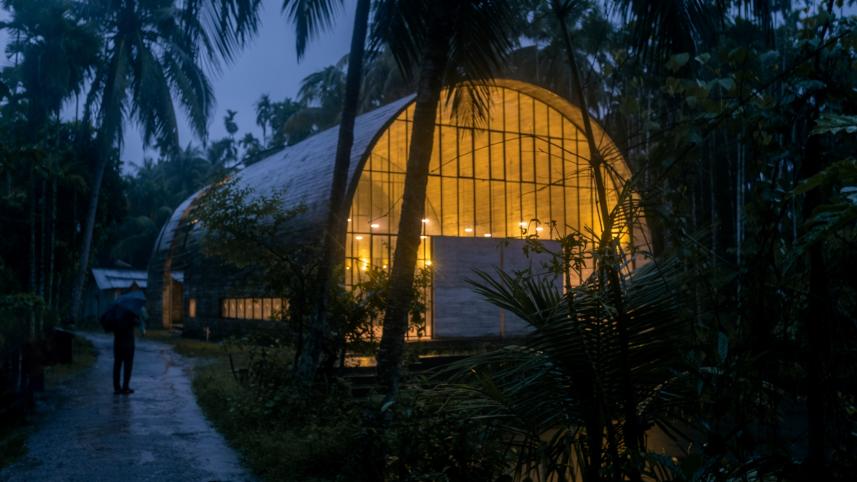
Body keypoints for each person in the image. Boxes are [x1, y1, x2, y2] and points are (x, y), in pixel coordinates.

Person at [111, 305, 145, 395]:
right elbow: (137, 323)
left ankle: (117, 388)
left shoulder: (114, 312)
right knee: (128, 365)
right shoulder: (130, 311)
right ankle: (125, 387)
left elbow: (111, 327)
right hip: (128, 343)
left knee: (117, 365)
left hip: (118, 343)